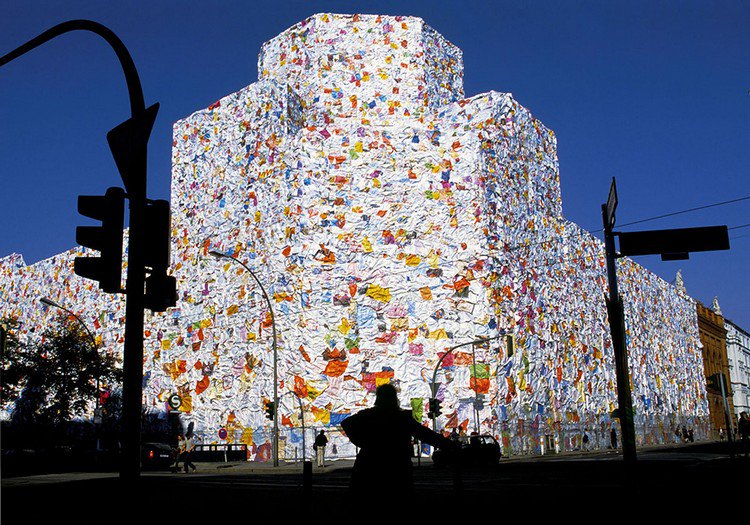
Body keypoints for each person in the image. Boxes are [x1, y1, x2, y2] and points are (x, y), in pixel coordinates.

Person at [341, 383, 453, 500]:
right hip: (397, 467)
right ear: (394, 399)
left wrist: (363, 443)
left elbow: (346, 423)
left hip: (369, 466)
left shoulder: (368, 415)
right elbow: (424, 434)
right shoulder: (401, 418)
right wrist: (447, 444)